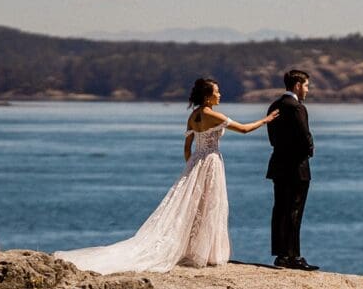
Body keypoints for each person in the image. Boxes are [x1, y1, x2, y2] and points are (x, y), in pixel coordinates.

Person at [53, 78, 278, 274]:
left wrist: (191, 166)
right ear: (208, 97)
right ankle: (204, 252)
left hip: (197, 162)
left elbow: (187, 145)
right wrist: (265, 121)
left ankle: (197, 249)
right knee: (209, 205)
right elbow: (245, 129)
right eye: (216, 92)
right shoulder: (213, 115)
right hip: (211, 163)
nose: (220, 94)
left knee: (195, 205)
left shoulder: (194, 116)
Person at [266, 69, 319, 271]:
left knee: (280, 210)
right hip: (296, 167)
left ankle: (281, 255)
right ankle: (294, 256)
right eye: (306, 85)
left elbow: (272, 138)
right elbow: (305, 137)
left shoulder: (275, 105)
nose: (307, 90)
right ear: (297, 85)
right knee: (294, 211)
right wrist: (309, 151)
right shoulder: (297, 107)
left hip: (278, 164)